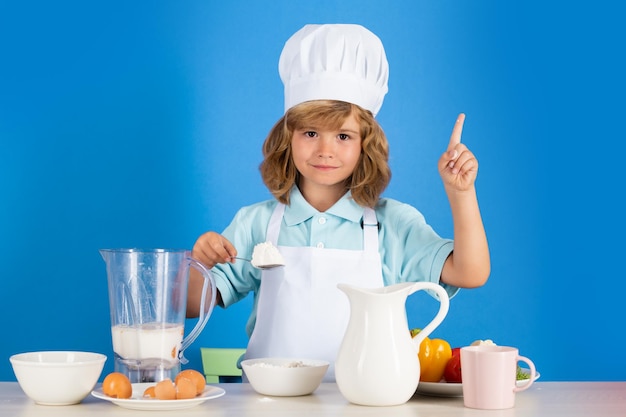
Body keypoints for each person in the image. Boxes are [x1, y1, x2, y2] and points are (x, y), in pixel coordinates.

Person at [187, 24, 490, 380]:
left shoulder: (392, 225)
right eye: (311, 133)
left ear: (367, 144)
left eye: (343, 136)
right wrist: (198, 263)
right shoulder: (257, 224)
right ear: (289, 138)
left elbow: (471, 273)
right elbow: (194, 305)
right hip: (272, 403)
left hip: (367, 401)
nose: (325, 150)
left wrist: (461, 193)